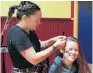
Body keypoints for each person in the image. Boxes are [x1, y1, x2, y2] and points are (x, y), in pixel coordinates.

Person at [7, 1, 66, 73]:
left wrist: (53, 40)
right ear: (25, 18)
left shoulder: (30, 30)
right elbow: (34, 59)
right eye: (36, 20)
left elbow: (38, 45)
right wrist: (54, 47)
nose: (39, 23)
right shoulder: (17, 33)